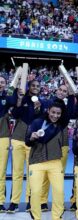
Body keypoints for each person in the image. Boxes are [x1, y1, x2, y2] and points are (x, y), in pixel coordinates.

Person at [25, 100, 68, 220]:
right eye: (53, 112)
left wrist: (72, 92)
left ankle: (56, 217)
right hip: (37, 162)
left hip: (55, 162)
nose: (55, 115)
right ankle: (36, 217)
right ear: (48, 110)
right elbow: (27, 142)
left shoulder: (61, 125)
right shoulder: (37, 122)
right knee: (35, 192)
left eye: (58, 113)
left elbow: (69, 109)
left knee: (59, 192)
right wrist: (32, 138)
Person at [8, 80, 46, 213]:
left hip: (32, 141)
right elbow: (14, 114)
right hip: (18, 139)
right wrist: (19, 101)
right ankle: (14, 202)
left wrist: (38, 109)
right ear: (28, 87)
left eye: (37, 86)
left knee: (32, 173)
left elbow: (40, 120)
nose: (35, 87)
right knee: (17, 172)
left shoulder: (41, 102)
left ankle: (31, 200)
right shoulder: (21, 98)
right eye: (33, 85)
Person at [40, 84, 76, 211]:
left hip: (63, 144)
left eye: (65, 91)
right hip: (48, 144)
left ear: (67, 94)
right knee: (45, 175)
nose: (62, 92)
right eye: (60, 89)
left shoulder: (67, 108)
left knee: (59, 176)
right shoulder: (47, 104)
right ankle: (42, 201)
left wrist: (72, 96)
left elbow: (72, 113)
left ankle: (58, 203)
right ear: (56, 90)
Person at [0, 75, 17, 212]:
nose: (0, 84)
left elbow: (14, 100)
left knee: (1, 171)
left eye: (2, 82)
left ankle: (0, 201)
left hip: (3, 137)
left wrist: (11, 88)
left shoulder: (7, 97)